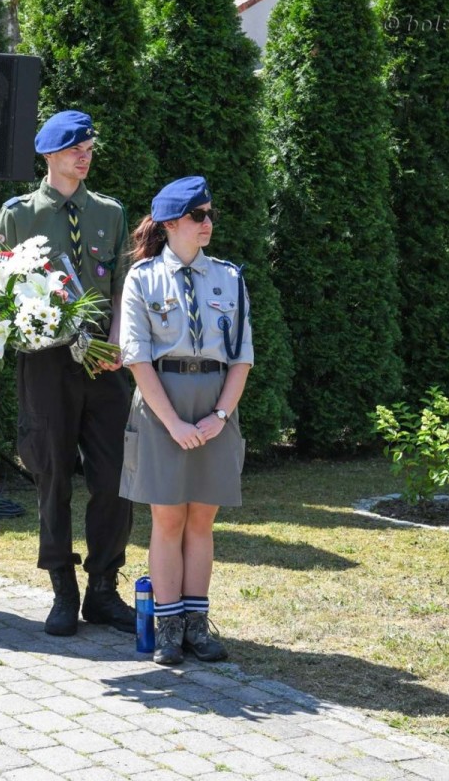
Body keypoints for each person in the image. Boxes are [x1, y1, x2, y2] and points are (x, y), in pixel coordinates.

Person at [0, 110, 134, 636]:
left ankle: (103, 588)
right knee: (51, 474)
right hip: (46, 360)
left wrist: (118, 342)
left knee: (114, 474)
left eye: (89, 147)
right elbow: (2, 290)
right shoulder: (20, 214)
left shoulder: (109, 212)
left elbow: (121, 285)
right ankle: (61, 588)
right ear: (50, 155)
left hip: (101, 359)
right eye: (75, 148)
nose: (85, 155)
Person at [117, 176, 252, 666]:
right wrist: (172, 422)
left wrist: (220, 415)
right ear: (172, 223)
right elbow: (137, 358)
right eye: (199, 216)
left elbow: (242, 358)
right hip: (162, 403)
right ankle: (168, 628)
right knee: (168, 517)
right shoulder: (143, 277)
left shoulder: (230, 278)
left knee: (202, 519)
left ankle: (197, 625)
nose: (208, 224)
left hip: (215, 400)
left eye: (210, 215)